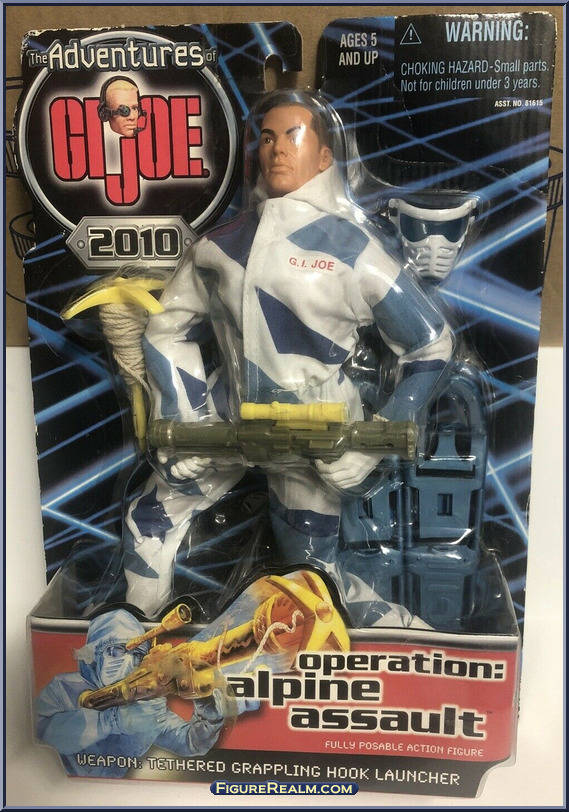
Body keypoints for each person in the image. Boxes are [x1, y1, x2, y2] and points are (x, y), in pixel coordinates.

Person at [122, 91, 453, 625]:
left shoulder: (354, 248)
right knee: (151, 517)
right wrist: (184, 417)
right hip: (229, 417)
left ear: (324, 157)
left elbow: (431, 343)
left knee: (312, 576)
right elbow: (166, 329)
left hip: (318, 430)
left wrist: (372, 441)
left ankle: (392, 631)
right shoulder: (218, 246)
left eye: (294, 136)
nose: (277, 149)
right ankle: (130, 631)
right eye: (268, 137)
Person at [35, 609, 226, 777]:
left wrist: (208, 712)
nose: (128, 663)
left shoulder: (145, 703)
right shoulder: (65, 688)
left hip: (117, 793)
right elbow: (44, 736)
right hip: (55, 783)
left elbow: (191, 742)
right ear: (93, 656)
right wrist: (111, 721)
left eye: (137, 654)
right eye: (115, 652)